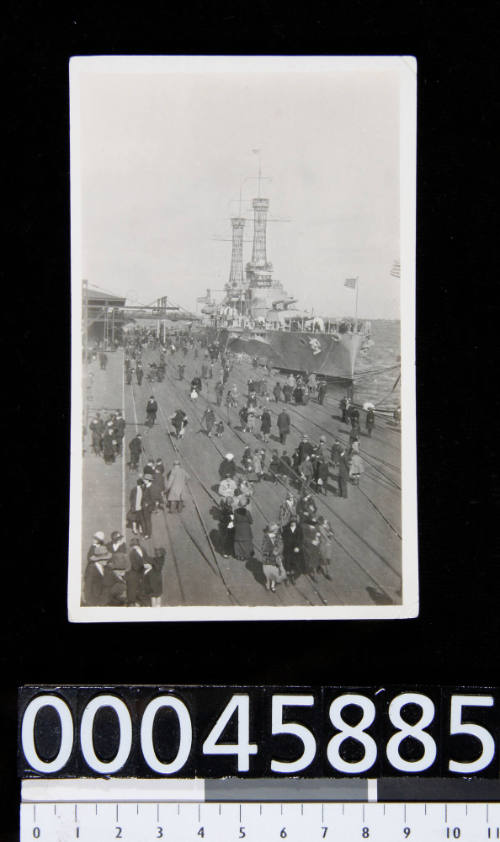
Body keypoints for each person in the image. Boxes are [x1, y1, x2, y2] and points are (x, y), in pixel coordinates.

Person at [260, 524, 286, 592]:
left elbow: (281, 546)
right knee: (268, 573)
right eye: (276, 530)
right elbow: (263, 548)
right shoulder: (266, 537)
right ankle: (268, 584)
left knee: (275, 572)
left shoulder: (278, 537)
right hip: (267, 558)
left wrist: (277, 551)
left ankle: (273, 586)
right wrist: (267, 552)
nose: (277, 531)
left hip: (276, 559)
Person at [125, 538, 150, 606]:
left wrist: (148, 563)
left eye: (135, 545)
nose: (134, 547)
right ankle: (136, 601)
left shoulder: (143, 549)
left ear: (138, 545)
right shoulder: (132, 554)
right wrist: (144, 565)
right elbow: (135, 566)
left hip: (143, 571)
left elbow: (146, 558)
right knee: (137, 587)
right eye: (133, 546)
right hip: (136, 572)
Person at [281, 517, 304, 584]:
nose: (293, 523)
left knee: (294, 564)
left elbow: (301, 540)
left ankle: (293, 577)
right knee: (287, 564)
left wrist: (298, 547)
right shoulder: (286, 528)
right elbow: (283, 537)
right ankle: (287, 578)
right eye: (292, 522)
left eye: (294, 522)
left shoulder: (299, 529)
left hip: (296, 550)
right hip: (287, 549)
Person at [302, 518, 322, 582]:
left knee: (318, 557)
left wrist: (318, 539)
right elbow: (303, 538)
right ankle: (312, 574)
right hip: (308, 547)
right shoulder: (305, 528)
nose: (313, 525)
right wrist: (311, 541)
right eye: (312, 524)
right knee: (310, 561)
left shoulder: (316, 528)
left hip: (316, 546)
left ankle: (317, 568)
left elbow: (319, 535)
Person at [317, 516, 333, 580]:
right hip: (322, 544)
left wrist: (330, 535)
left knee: (327, 559)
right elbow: (323, 535)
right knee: (323, 558)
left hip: (327, 545)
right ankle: (326, 572)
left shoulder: (327, 523)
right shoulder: (319, 527)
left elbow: (331, 531)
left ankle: (323, 569)